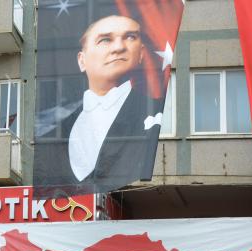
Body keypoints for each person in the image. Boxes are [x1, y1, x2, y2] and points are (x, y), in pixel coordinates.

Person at [35, 12, 163, 193]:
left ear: (141, 53)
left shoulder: (156, 113)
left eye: (130, 37)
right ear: (82, 60)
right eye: (105, 40)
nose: (119, 47)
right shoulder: (52, 135)